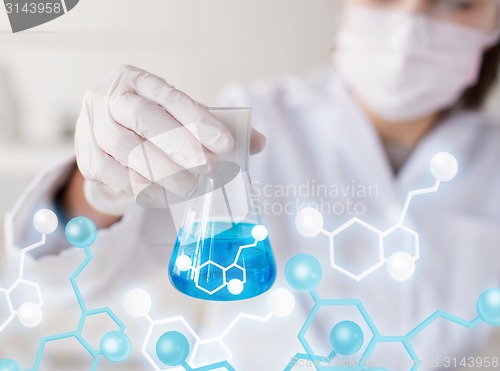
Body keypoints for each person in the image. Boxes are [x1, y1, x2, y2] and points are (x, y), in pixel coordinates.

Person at [3, 0, 500, 369]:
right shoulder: (255, 121)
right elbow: (62, 281)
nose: (409, 25)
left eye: (457, 1)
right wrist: (97, 189)